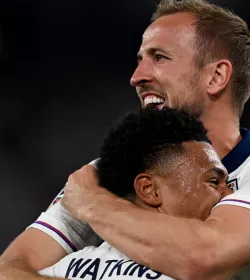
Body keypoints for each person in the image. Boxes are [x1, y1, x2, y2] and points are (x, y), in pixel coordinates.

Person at [0, 0, 250, 280]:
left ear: (216, 76)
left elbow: (204, 259)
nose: (137, 78)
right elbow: (11, 268)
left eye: (159, 57)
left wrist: (94, 204)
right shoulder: (111, 169)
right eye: (140, 60)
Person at [37, 107, 231, 280]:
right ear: (150, 190)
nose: (230, 194)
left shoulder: (63, 270)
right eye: (214, 182)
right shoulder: (212, 266)